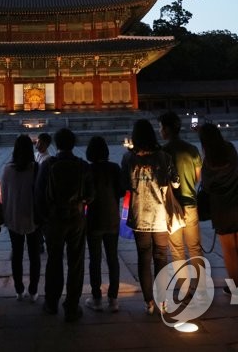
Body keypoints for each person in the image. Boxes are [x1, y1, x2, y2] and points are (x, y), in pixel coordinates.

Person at [35, 127, 94, 322]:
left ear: (56, 144)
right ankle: (72, 306)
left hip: (54, 220)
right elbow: (90, 195)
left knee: (54, 260)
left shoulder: (48, 164)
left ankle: (51, 303)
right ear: (73, 144)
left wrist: (44, 219)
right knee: (76, 262)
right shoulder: (82, 165)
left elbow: (39, 195)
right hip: (76, 218)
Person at [121, 119, 178, 315]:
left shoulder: (128, 159)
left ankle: (149, 302)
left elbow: (124, 185)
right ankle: (163, 300)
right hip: (160, 215)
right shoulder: (163, 157)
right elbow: (176, 182)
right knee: (161, 257)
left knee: (143, 259)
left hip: (139, 215)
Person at [198, 123, 238, 294]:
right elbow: (237, 169)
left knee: (228, 248)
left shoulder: (209, 161)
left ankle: (235, 286)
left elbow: (206, 185)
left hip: (221, 206)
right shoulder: (230, 149)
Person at [159, 111, 204, 273]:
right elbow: (198, 177)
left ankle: (184, 286)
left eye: (161, 127)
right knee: (195, 248)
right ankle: (200, 285)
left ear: (167, 129)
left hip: (172, 207)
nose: (160, 131)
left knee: (177, 250)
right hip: (190, 203)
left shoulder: (163, 152)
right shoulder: (192, 149)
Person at [83, 136, 123, 313]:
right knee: (113, 258)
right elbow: (121, 191)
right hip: (112, 217)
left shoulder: (88, 169)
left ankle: (96, 297)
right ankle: (113, 299)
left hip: (94, 219)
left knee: (95, 259)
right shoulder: (114, 168)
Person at [1, 134, 41, 302]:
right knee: (34, 254)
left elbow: (4, 194)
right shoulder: (36, 168)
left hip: (14, 216)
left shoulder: (7, 169)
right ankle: (33, 290)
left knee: (16, 253)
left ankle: (19, 289)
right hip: (32, 216)